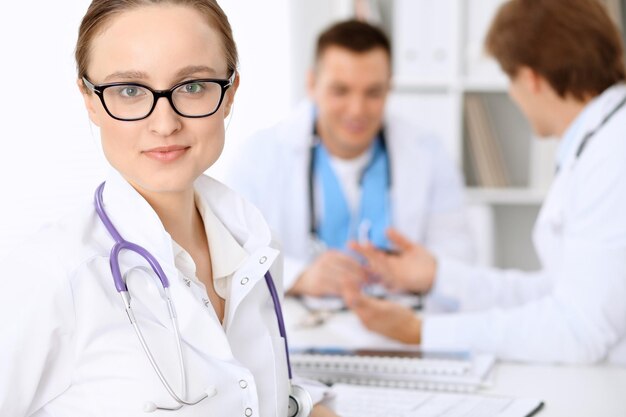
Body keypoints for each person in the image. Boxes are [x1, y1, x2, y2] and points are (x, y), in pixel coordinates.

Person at [0, 1, 337, 415]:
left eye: (192, 86)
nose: (164, 123)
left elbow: (239, 384)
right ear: (90, 100)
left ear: (228, 94)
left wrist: (306, 405)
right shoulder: (49, 277)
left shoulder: (254, 247)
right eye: (129, 90)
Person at [343, 0, 626, 363]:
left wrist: (422, 332)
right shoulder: (600, 142)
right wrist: (438, 277)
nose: (511, 92)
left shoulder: (613, 153)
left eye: (508, 77)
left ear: (530, 78)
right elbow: (558, 291)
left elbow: (577, 330)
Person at [226, 20, 473, 301]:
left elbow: (458, 258)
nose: (357, 110)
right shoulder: (260, 155)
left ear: (389, 87)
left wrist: (425, 273)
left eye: (373, 93)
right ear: (312, 84)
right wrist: (300, 276)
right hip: (303, 330)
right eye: (340, 91)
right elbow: (231, 253)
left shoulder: (428, 153)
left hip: (400, 327)